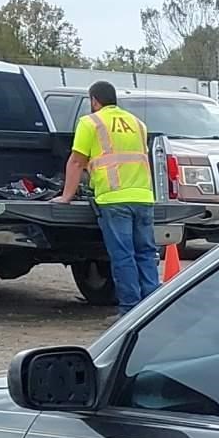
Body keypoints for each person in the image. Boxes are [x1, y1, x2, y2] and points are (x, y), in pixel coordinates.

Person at [58, 81, 162, 309]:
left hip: (114, 199)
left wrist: (66, 196)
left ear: (94, 100)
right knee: (146, 253)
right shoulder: (137, 123)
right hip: (144, 197)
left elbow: (77, 162)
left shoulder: (90, 122)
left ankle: (130, 310)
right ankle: (153, 309)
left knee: (123, 256)